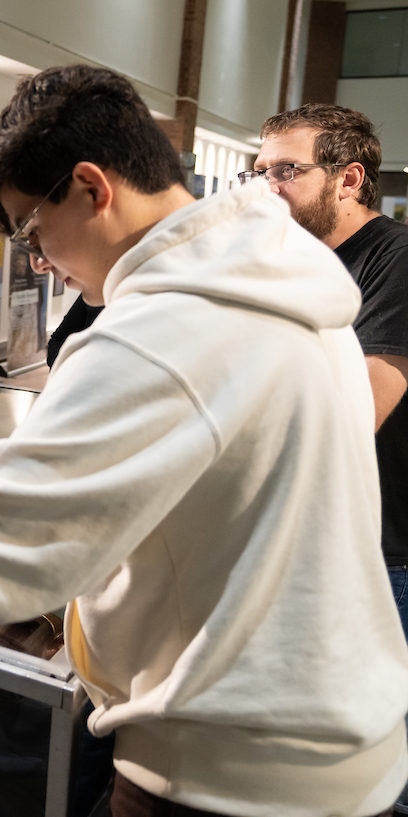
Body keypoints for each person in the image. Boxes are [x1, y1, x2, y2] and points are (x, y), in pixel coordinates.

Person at [0, 65, 408, 817]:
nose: (42, 262)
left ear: (92, 188)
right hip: (333, 743)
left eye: (34, 231)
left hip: (228, 766)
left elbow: (12, 529)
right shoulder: (283, 282)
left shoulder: (161, 328)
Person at [251, 102, 408, 815]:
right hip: (305, 537)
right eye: (259, 171)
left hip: (385, 550)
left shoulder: (394, 260)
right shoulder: (289, 263)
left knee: (375, 756)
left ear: (348, 179)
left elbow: (358, 411)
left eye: (287, 170)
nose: (267, 187)